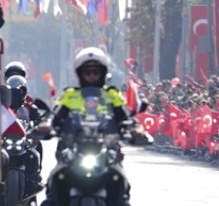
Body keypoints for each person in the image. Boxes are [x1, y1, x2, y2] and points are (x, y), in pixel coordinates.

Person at [34, 48, 140, 206]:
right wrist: (45, 125)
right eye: (87, 72)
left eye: (95, 72)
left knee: (120, 184)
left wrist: (135, 129)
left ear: (103, 73)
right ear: (80, 74)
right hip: (73, 149)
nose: (91, 76)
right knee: (55, 183)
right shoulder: (71, 95)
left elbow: (124, 115)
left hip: (106, 151)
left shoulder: (111, 95)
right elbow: (55, 115)